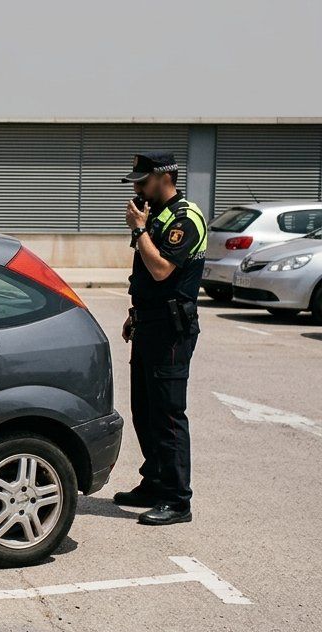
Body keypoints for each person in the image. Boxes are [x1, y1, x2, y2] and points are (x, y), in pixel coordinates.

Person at [115, 152, 208, 526]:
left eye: (142, 181)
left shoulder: (185, 218)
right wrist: (135, 313)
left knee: (168, 414)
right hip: (149, 324)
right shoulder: (157, 215)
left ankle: (177, 499)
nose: (137, 188)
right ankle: (154, 482)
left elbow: (161, 269)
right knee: (144, 409)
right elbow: (147, 281)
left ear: (164, 177)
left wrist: (139, 230)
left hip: (171, 331)